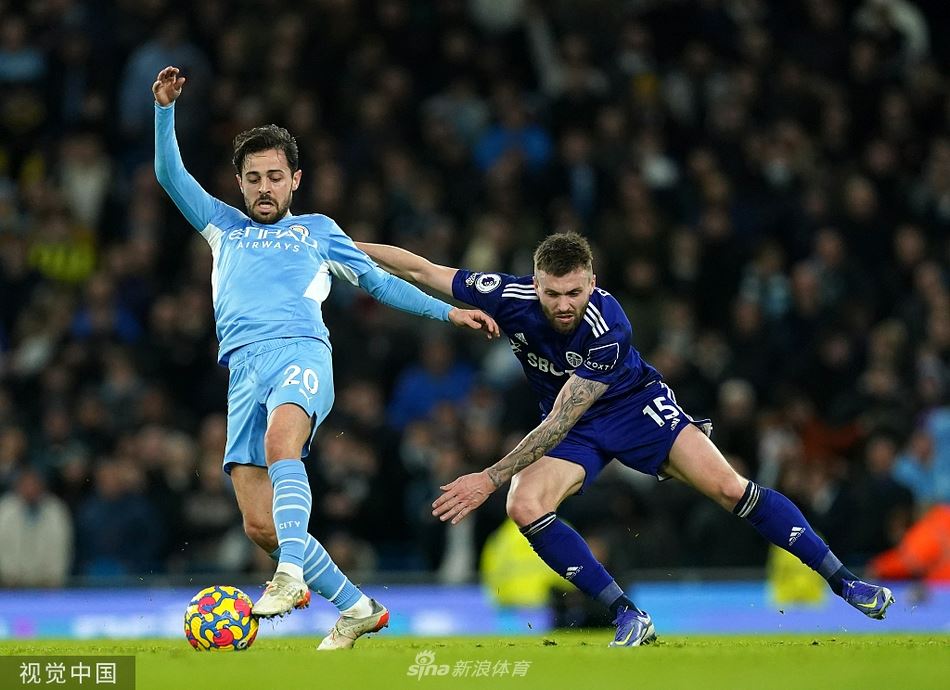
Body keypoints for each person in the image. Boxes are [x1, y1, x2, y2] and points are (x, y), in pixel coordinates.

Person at [358, 232, 895, 647]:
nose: (563, 304)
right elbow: (421, 268)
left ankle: (846, 582)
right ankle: (627, 614)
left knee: (730, 489)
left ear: (592, 283)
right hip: (574, 425)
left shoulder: (608, 326)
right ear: (535, 283)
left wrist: (489, 477)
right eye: (552, 293)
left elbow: (560, 420)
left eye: (574, 292)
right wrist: (339, 245)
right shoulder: (506, 295)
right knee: (525, 504)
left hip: (633, 409)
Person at [151, 66, 498, 650]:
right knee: (261, 525)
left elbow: (379, 283)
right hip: (242, 371)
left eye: (275, 177)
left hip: (301, 352)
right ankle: (358, 608)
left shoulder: (318, 231)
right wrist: (165, 110)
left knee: (281, 444)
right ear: (239, 183)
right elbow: (168, 174)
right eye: (253, 178)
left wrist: (448, 312)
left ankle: (289, 576)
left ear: (295, 180)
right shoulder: (221, 227)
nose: (264, 187)